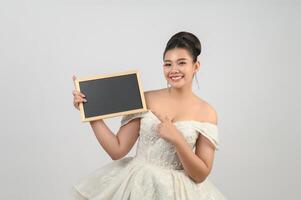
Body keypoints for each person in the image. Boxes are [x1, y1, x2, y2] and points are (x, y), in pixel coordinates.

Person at [71, 31, 227, 200]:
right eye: (168, 64)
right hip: (137, 186)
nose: (174, 70)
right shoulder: (146, 98)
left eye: (181, 63)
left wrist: (177, 139)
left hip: (177, 193)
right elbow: (117, 150)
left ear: (196, 66)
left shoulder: (207, 112)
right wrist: (91, 113)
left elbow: (200, 175)